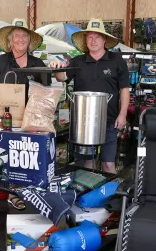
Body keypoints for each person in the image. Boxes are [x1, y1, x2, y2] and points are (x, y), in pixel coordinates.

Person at [0, 18, 48, 210]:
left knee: (29, 154)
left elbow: (45, 91)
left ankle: (31, 190)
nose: (20, 39)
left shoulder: (38, 62)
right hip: (6, 119)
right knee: (9, 154)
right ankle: (13, 193)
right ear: (10, 41)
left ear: (29, 41)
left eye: (24, 36)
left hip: (31, 119)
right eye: (16, 36)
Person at [51, 18, 130, 174]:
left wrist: (123, 115)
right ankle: (89, 196)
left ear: (104, 39)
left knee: (108, 164)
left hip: (109, 122)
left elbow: (124, 90)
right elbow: (61, 77)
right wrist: (57, 67)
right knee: (88, 162)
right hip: (83, 123)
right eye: (90, 37)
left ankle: (109, 197)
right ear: (85, 39)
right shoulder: (77, 61)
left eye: (97, 37)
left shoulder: (117, 61)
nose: (93, 41)